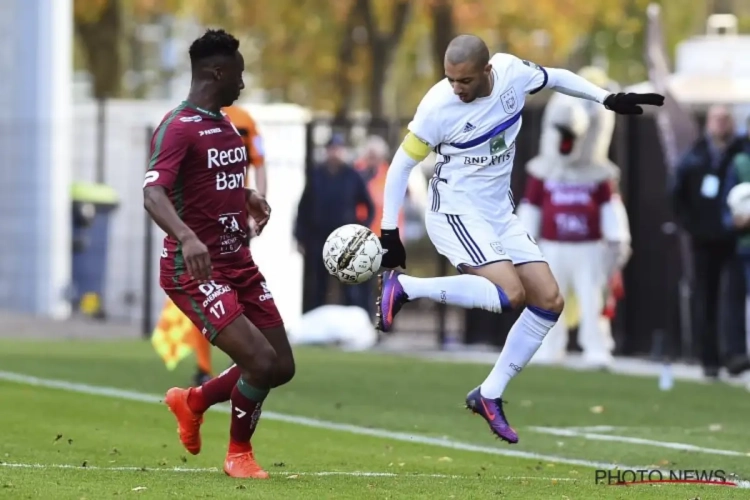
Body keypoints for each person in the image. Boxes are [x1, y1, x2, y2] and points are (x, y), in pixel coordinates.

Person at [375, 34, 663, 444]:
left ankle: (489, 394)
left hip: (498, 212)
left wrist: (605, 98)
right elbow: (402, 165)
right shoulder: (437, 108)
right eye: (450, 79)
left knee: (549, 301)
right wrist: (389, 230)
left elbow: (557, 77)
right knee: (510, 293)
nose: (456, 88)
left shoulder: (512, 74)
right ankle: (405, 286)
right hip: (455, 209)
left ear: (488, 72)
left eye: (465, 81)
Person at [143, 29, 295, 479]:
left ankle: (192, 401)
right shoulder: (177, 127)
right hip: (194, 269)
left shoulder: (225, 122)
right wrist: (187, 237)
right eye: (239, 75)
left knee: (281, 365)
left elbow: (209, 182)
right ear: (217, 72)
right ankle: (238, 455)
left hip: (237, 262)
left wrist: (245, 194)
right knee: (260, 362)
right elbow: (153, 195)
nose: (242, 84)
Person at [516, 66, 632, 369]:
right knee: (547, 298)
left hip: (589, 246)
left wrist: (617, 238)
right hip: (552, 245)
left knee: (592, 298)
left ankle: (596, 348)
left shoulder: (599, 175)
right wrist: (523, 244)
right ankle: (548, 348)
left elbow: (610, 207)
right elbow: (531, 208)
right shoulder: (543, 172)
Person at [671, 104, 744, 378]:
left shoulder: (741, 153)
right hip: (703, 239)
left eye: (726, 119)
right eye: (717, 119)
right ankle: (709, 358)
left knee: (734, 297)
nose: (721, 124)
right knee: (706, 297)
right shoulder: (695, 155)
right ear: (708, 123)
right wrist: (691, 226)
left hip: (736, 238)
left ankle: (736, 355)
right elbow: (677, 194)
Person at [295, 134, 375, 313]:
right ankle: (315, 321)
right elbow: (304, 208)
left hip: (345, 239)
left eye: (338, 149)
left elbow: (368, 206)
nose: (334, 153)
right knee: (317, 285)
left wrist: (361, 229)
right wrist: (300, 236)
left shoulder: (352, 176)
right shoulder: (316, 175)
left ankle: (354, 323)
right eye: (332, 149)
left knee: (350, 286)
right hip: (319, 238)